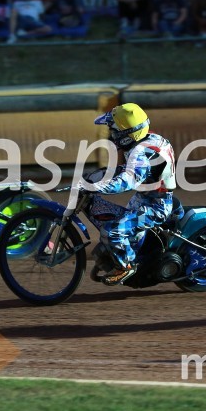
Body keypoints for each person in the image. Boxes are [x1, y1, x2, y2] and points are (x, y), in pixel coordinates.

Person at [82, 103, 176, 285]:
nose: (111, 134)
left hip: (155, 207)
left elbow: (127, 180)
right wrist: (90, 179)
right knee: (102, 214)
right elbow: (120, 170)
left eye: (114, 130)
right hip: (143, 199)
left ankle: (127, 266)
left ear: (127, 133)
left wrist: (95, 187)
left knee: (113, 231)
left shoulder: (142, 152)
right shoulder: (146, 141)